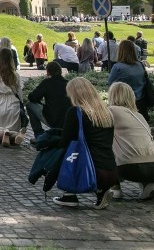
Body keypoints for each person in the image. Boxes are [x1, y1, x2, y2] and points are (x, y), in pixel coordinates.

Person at [53, 77, 117, 209]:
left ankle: (69, 194)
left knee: (63, 153)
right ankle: (101, 191)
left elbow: (65, 141)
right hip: (110, 169)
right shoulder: (106, 113)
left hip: (90, 171)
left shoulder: (76, 112)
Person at [107, 82, 154, 200]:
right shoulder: (139, 115)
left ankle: (114, 187)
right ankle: (149, 185)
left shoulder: (111, 111)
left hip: (129, 168)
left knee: (105, 147)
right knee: (137, 146)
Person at [0, 49, 26, 146]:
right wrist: (21, 104)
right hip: (13, 104)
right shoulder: (15, 75)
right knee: (13, 129)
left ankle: (4, 133)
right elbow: (19, 93)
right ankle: (16, 135)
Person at [26, 61, 72, 137]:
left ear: (48, 72)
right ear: (60, 71)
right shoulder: (68, 83)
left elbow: (32, 97)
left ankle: (39, 134)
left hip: (53, 119)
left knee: (29, 105)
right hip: (68, 119)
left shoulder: (47, 82)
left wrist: (40, 101)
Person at [108, 39, 148, 120]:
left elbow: (111, 84)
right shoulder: (140, 65)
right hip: (141, 101)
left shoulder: (118, 67)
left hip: (124, 103)